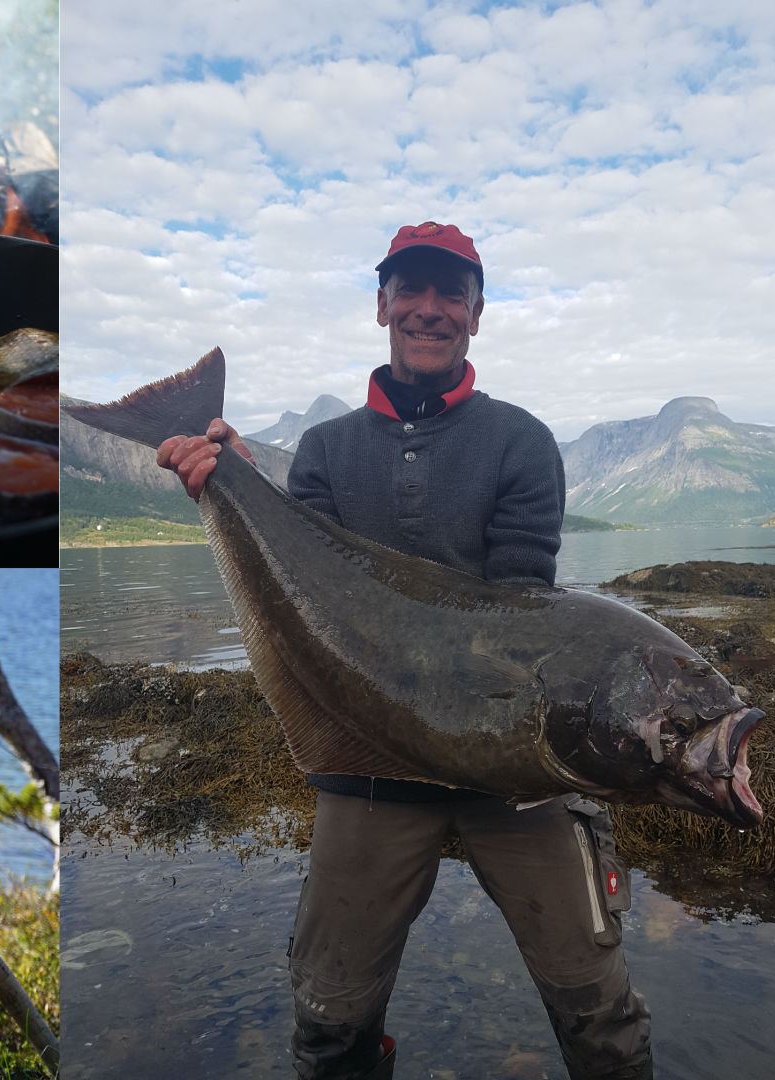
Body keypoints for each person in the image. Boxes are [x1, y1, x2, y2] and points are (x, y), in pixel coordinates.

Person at [158, 222, 650, 1080]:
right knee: (328, 1017)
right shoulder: (323, 451)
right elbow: (305, 602)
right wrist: (231, 484)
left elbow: (520, 608)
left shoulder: (523, 442)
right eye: (411, 290)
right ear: (382, 304)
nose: (430, 309)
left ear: (476, 311)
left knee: (596, 1005)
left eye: (450, 293)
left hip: (518, 777)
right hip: (370, 764)